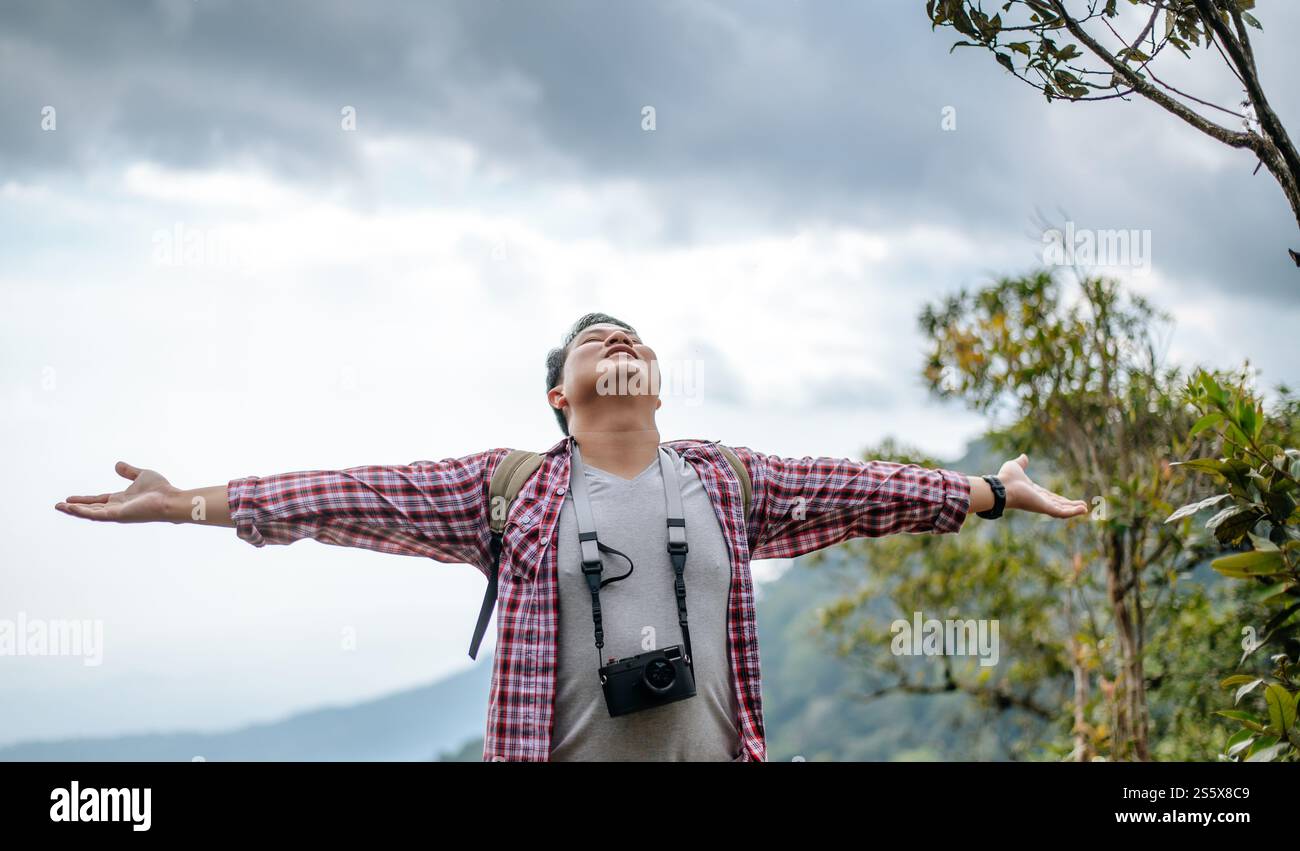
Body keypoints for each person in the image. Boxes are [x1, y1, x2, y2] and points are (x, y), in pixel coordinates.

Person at [54, 312, 1090, 761]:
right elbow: (344, 492)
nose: (622, 339)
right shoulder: (506, 488)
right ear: (562, 394)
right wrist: (183, 498)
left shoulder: (727, 477)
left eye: (635, 336)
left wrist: (989, 494)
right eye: (599, 340)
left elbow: (863, 488)